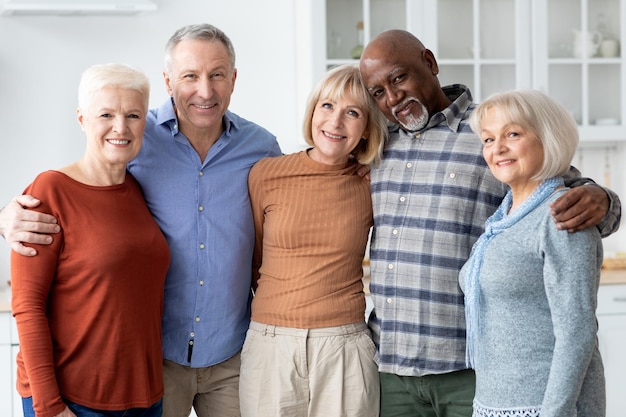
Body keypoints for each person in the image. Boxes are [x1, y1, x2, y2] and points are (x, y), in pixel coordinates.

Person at [1, 24, 282, 417]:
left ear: (233, 79)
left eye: (217, 74)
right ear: (168, 81)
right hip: (156, 363)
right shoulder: (136, 136)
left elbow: (285, 226)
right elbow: (75, 190)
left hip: (227, 358)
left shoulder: (262, 148)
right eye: (189, 76)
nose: (205, 90)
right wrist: (5, 215)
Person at [358, 29, 621, 417]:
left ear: (429, 63)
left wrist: (605, 200)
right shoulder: (379, 145)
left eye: (399, 78)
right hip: (392, 366)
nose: (393, 97)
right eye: (378, 92)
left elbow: (560, 185)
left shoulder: (489, 131)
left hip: (470, 367)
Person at [11, 63, 170, 417]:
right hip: (74, 400)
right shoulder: (50, 191)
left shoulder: (140, 190)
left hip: (144, 396)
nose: (120, 127)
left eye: (133, 114)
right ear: (82, 119)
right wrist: (51, 407)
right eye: (106, 114)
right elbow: (28, 306)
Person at [239, 64, 387, 417]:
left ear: (367, 128)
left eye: (352, 113)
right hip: (270, 345)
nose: (335, 123)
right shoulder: (266, 174)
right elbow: (255, 259)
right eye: (327, 106)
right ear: (313, 111)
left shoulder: (373, 182)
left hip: (344, 347)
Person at [460, 89, 605, 417]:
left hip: (543, 406)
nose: (497, 148)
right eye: (488, 139)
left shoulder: (562, 215)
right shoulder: (504, 216)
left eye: (513, 134)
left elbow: (576, 333)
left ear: (548, 138)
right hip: (495, 403)